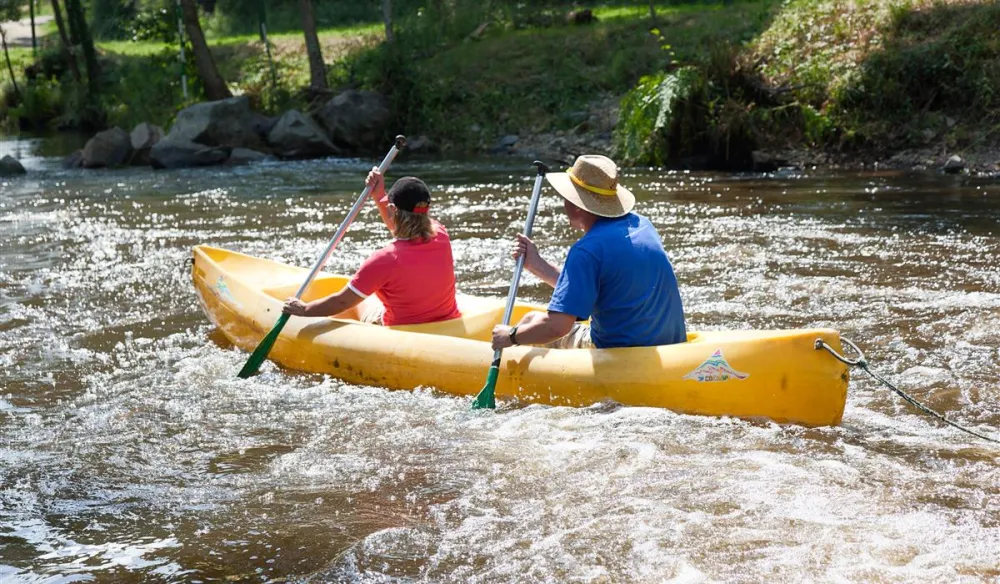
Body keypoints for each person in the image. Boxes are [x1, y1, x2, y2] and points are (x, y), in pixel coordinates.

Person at [491, 154, 686, 351]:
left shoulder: (586, 250)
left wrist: (510, 336)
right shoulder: (642, 225)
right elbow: (595, 285)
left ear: (576, 206)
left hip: (618, 355)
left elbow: (557, 328)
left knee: (530, 321)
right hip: (670, 347)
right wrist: (536, 264)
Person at [283, 169, 461, 326]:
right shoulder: (441, 234)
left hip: (401, 331)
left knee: (361, 301)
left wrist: (304, 310)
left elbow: (341, 302)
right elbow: (404, 224)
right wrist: (379, 195)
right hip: (446, 322)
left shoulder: (384, 259)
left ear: (392, 209)